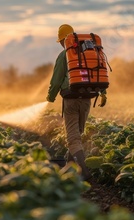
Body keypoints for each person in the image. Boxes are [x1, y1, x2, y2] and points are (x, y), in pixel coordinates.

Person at [46, 24, 101, 181]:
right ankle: (69, 164)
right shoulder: (89, 52)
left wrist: (50, 96)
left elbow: (56, 80)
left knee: (72, 137)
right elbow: (97, 73)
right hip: (87, 99)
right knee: (78, 133)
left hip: (70, 100)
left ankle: (84, 171)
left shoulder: (64, 55)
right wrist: (102, 93)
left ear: (63, 40)